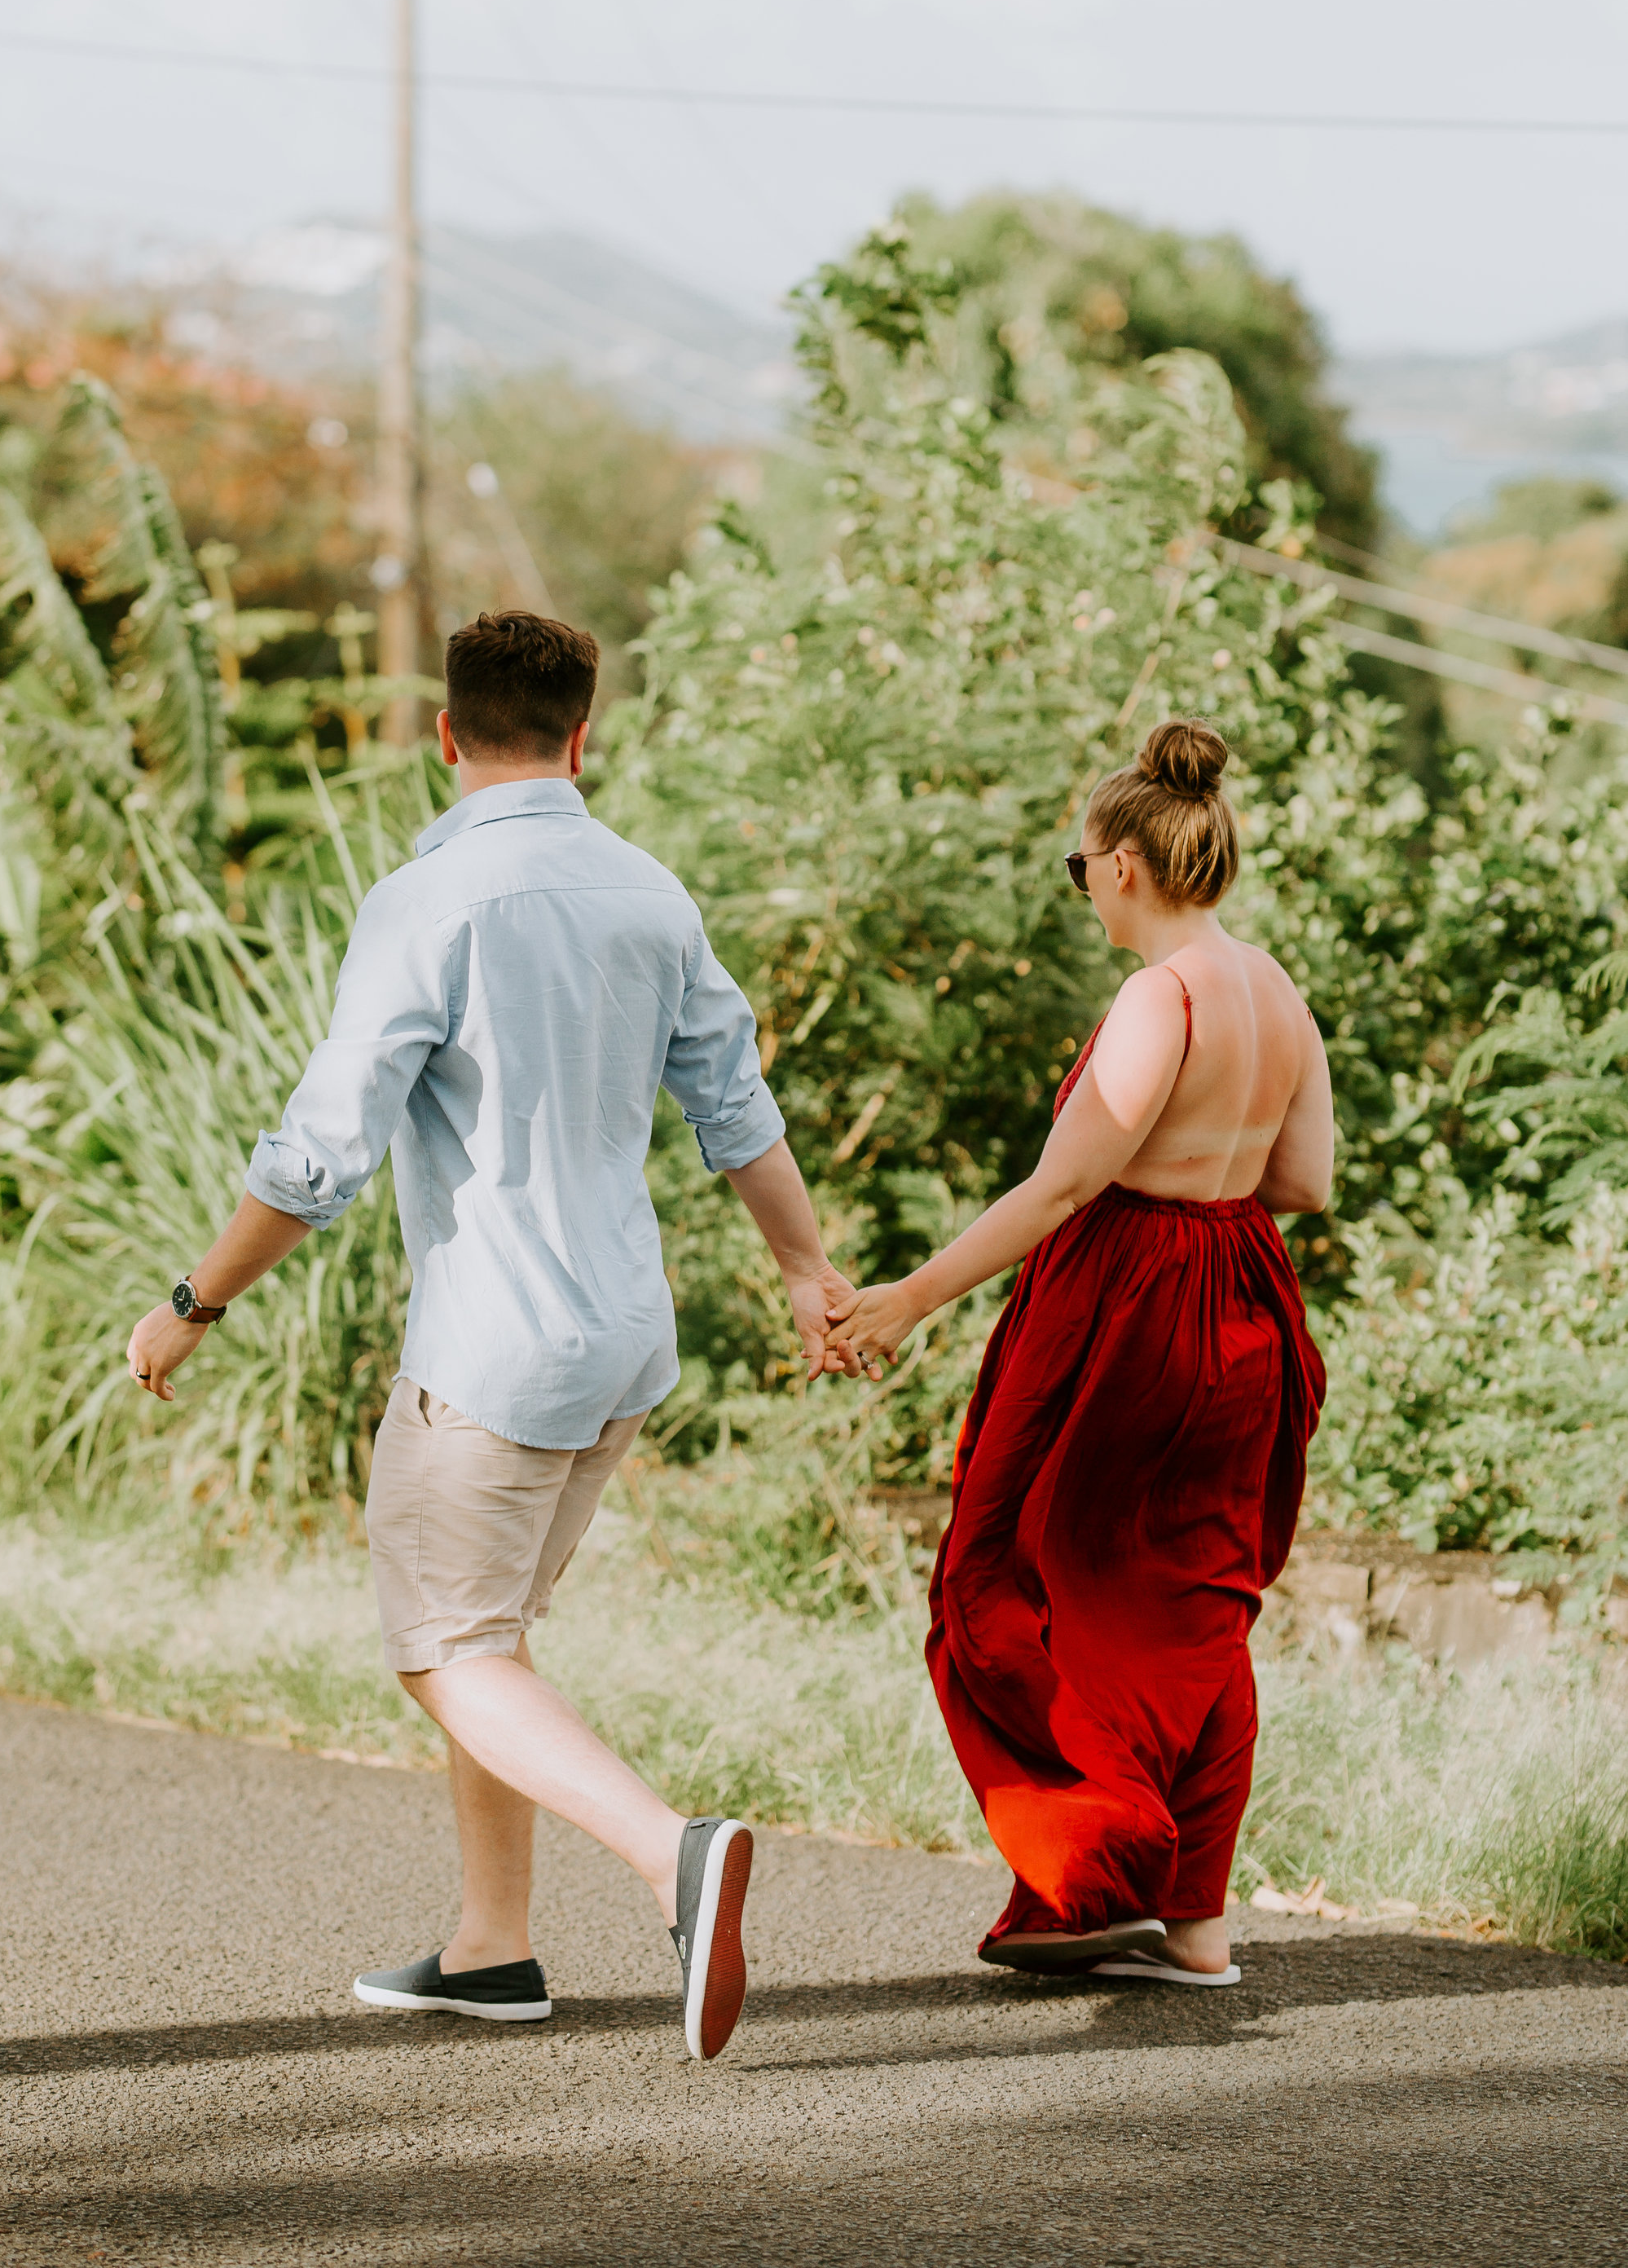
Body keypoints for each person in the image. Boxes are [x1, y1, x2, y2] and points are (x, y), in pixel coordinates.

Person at [126, 608, 856, 2060]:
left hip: (494, 1355)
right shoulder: (652, 894)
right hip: (621, 1356)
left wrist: (193, 1303)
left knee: (444, 1647)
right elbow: (738, 1114)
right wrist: (804, 1268)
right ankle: (490, 1946)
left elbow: (319, 1153)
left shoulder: (431, 898)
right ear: (586, 735)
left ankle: (671, 1853)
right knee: (494, 1636)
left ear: (446, 734)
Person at [827, 718, 1329, 1990]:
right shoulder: (1276, 990)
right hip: (1245, 1301)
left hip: (1129, 1313)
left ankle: (1096, 1861)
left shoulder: (1158, 996)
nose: (1085, 889)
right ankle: (1190, 1926)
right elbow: (1307, 1180)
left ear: (1121, 866)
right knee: (1198, 1613)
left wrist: (907, 1298)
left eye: (1080, 866)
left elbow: (1062, 1189)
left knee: (1007, 1578)